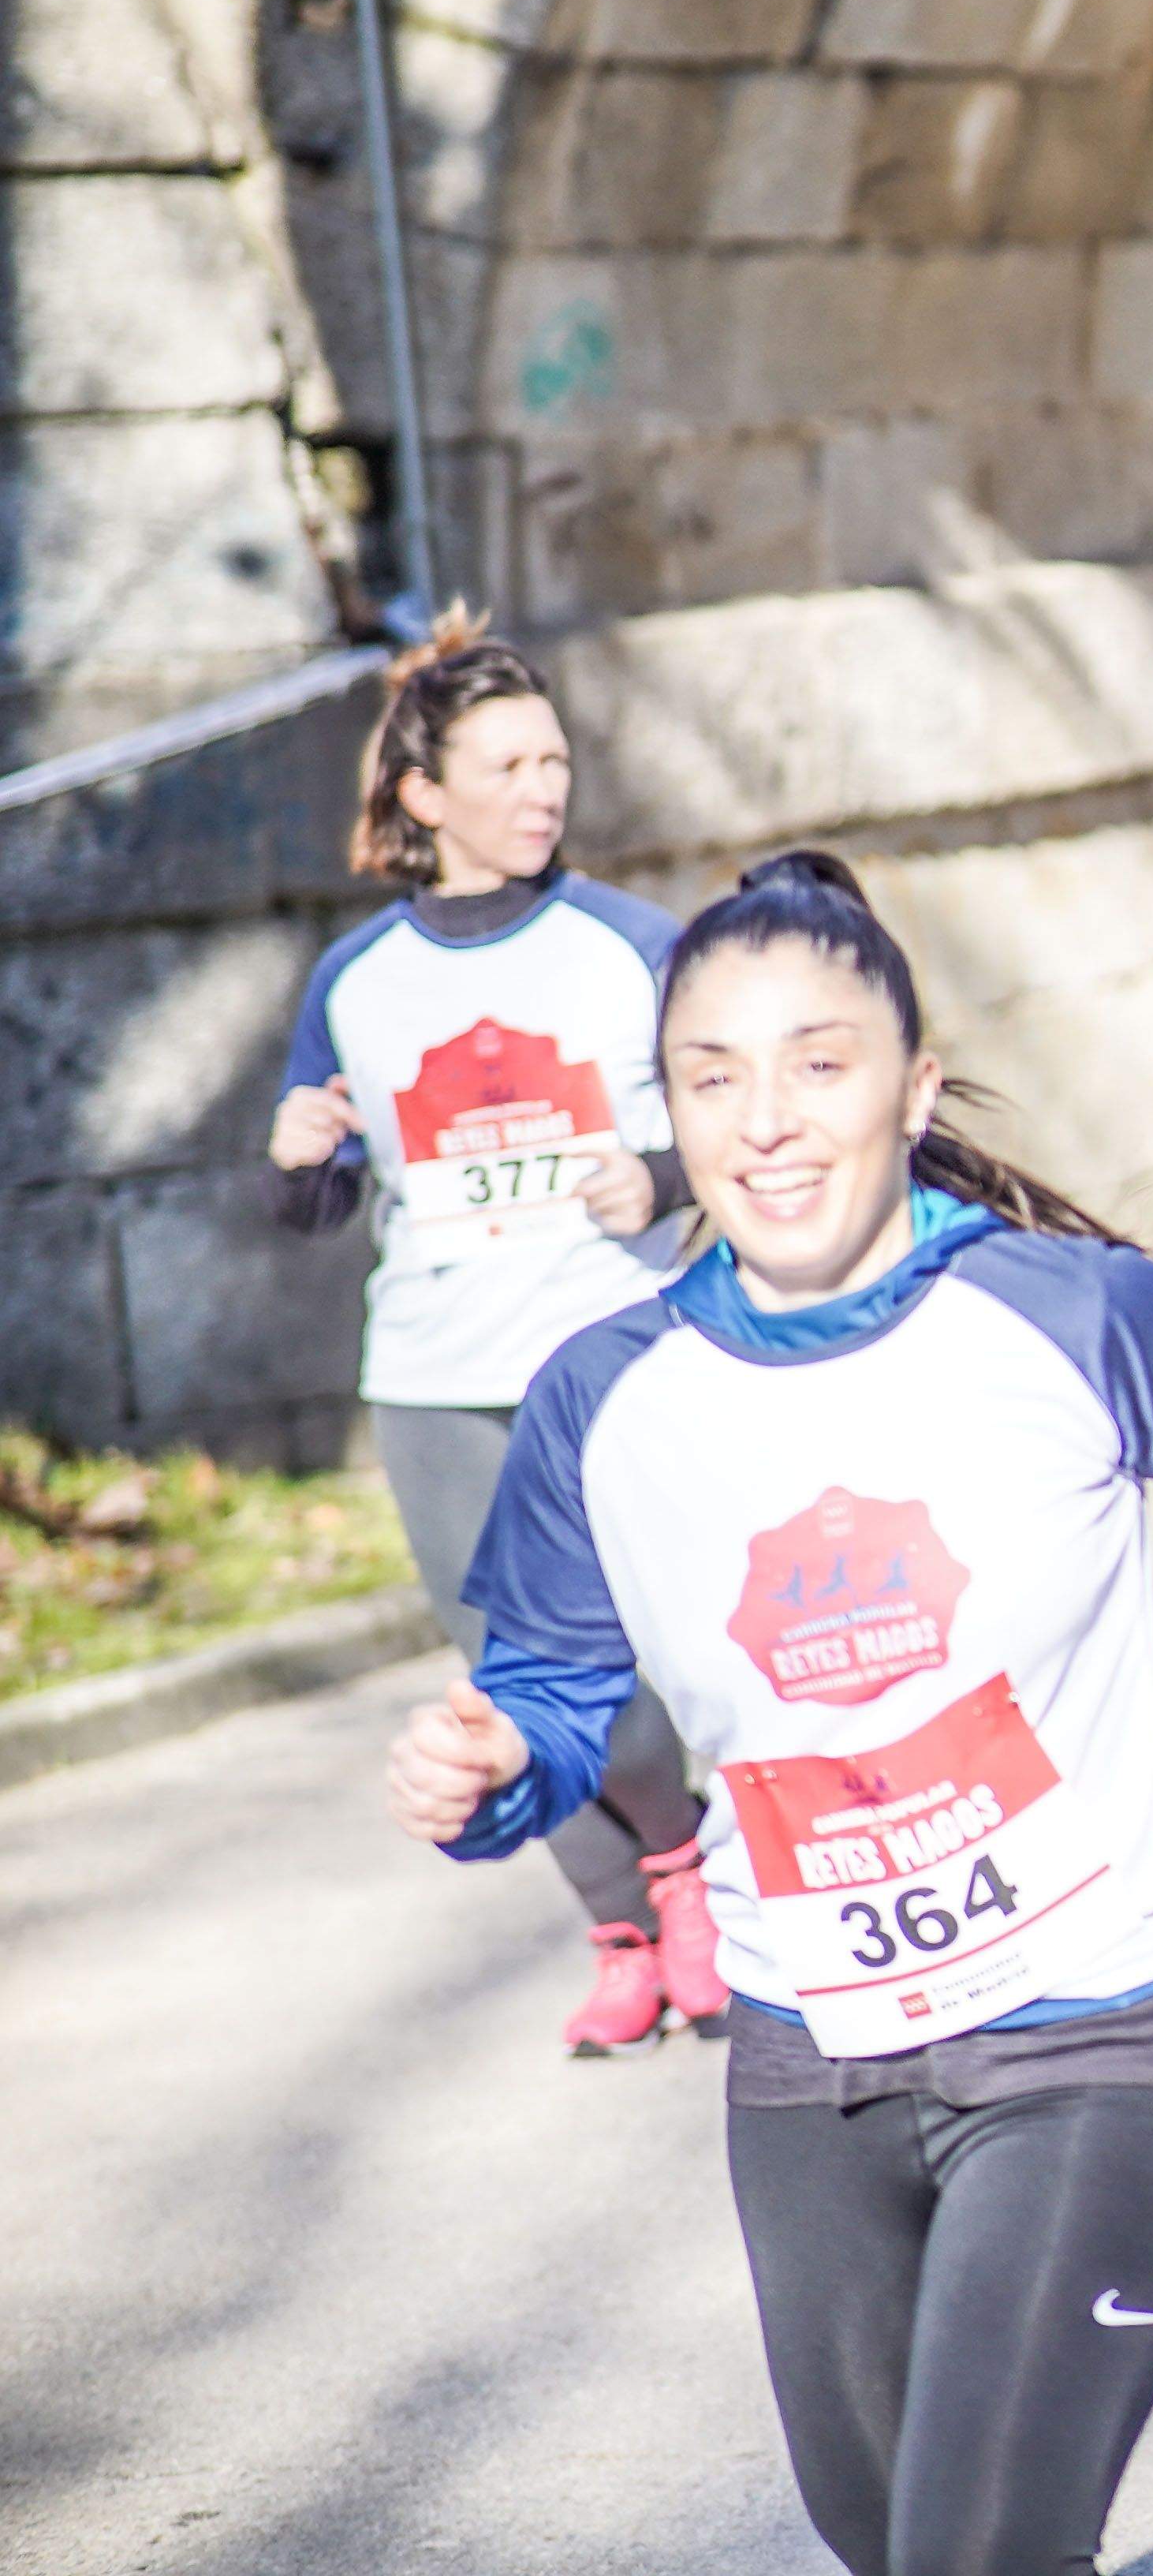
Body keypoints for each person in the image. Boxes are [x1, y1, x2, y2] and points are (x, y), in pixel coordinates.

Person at [380, 850, 1153, 2576]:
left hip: (1095, 2029)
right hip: (805, 2058)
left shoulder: (1064, 1313)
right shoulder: (603, 1403)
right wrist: (488, 1772)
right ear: (668, 1110)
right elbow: (549, 1698)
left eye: (819, 1063)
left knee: (968, 2554)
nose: (766, 1120)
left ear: (913, 1089)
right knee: (893, 2532)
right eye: (714, 1075)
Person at [267, 616, 718, 2057]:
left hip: (603, 1357)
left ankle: (688, 1863)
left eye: (557, 761)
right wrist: (298, 1159)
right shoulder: (355, 980)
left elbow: (743, 1124)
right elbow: (319, 1198)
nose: (545, 789)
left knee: (623, 1670)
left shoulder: (631, 947)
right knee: (499, 1686)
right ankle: (622, 1927)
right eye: (508, 764)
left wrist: (660, 1178)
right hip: (432, 1378)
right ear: (425, 797)